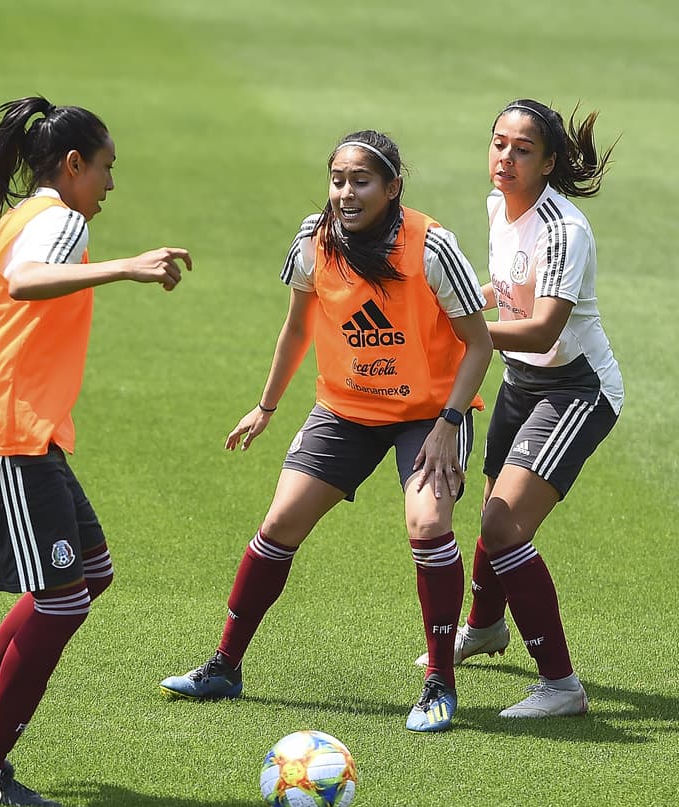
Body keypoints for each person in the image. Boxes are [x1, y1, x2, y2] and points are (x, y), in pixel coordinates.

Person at [159, 130, 492, 734]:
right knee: (280, 522)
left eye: (361, 181)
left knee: (428, 523)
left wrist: (450, 422)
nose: (346, 192)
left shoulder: (432, 247)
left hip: (429, 414)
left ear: (393, 188)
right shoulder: (314, 242)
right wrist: (265, 406)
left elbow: (479, 343)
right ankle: (224, 666)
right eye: (338, 180)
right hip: (345, 409)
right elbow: (296, 329)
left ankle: (439, 682)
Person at [0, 96, 191, 807]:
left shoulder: (9, 223)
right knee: (63, 601)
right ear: (72, 166)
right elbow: (26, 284)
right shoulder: (59, 223)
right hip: (12, 433)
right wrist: (128, 266)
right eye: (104, 169)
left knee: (89, 572)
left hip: (15, 433)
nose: (108, 185)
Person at [414, 99, 621, 718]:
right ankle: (485, 627)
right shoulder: (497, 208)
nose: (504, 158)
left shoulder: (564, 229)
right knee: (491, 514)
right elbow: (503, 295)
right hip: (523, 383)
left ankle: (561, 685)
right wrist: (458, 304)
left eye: (522, 149)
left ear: (549, 162)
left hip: (577, 388)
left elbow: (539, 330)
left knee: (505, 527)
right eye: (498, 143)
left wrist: (459, 326)